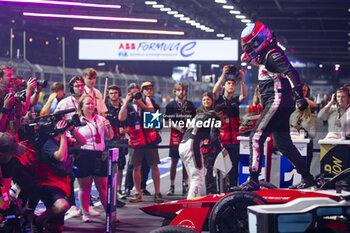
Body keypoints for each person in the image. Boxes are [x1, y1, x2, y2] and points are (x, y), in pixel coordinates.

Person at [239, 21, 315, 190]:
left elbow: (291, 72)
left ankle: (253, 179)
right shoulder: (268, 54)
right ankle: (308, 178)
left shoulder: (273, 54)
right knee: (283, 145)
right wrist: (253, 59)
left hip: (276, 101)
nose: (251, 48)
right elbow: (271, 68)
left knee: (255, 137)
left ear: (261, 39)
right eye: (248, 46)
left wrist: (300, 98)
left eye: (253, 44)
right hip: (279, 102)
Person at [32, 119, 86, 233]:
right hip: (47, 183)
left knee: (57, 229)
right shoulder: (48, 143)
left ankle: (45, 221)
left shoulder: (63, 140)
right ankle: (37, 220)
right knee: (62, 206)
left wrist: (71, 129)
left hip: (61, 184)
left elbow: (82, 142)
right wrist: (62, 134)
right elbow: (61, 158)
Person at [118, 82, 163, 203]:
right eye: (133, 93)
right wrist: (126, 102)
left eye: (137, 92)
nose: (135, 95)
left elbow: (153, 112)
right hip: (136, 140)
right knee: (135, 167)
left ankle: (158, 192)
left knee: (154, 165)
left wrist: (140, 103)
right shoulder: (127, 105)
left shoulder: (147, 101)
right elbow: (121, 118)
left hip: (150, 140)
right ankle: (137, 193)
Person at [75, 95, 114, 222]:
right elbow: (74, 140)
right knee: (84, 187)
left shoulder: (101, 119)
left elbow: (109, 137)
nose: (91, 106)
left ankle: (109, 214)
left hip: (99, 155)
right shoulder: (77, 122)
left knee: (102, 187)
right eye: (87, 104)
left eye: (92, 103)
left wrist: (108, 127)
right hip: (84, 155)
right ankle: (85, 213)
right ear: (81, 106)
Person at [179, 104, 229, 199]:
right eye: (224, 117)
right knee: (198, 178)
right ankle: (191, 207)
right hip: (192, 145)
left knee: (193, 178)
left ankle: (192, 201)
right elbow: (214, 138)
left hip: (183, 144)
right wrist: (222, 150)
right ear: (221, 113)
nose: (224, 120)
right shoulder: (215, 118)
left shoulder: (202, 115)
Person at [212, 65, 247, 189]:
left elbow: (244, 96)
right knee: (221, 171)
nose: (231, 86)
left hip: (235, 142)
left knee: (234, 171)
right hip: (222, 142)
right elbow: (214, 92)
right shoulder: (218, 100)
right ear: (224, 86)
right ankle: (220, 194)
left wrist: (242, 79)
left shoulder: (235, 100)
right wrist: (223, 75)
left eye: (233, 84)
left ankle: (232, 192)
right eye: (228, 84)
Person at [165, 83, 196, 196]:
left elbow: (194, 118)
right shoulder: (170, 105)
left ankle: (185, 184)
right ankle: (172, 186)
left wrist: (190, 126)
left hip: (187, 136)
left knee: (186, 161)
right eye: (178, 90)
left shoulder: (190, 105)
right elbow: (167, 120)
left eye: (183, 90)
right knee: (174, 161)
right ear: (174, 92)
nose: (181, 92)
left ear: (185, 92)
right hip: (175, 136)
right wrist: (177, 127)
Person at [105, 85, 127, 206]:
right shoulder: (105, 107)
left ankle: (118, 190)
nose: (113, 95)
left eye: (115, 93)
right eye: (111, 93)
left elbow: (130, 123)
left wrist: (126, 129)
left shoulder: (124, 108)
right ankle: (108, 190)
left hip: (120, 140)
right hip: (108, 141)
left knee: (120, 166)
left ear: (119, 94)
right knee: (109, 166)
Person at [197, 92, 217, 194]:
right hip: (205, 147)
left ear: (212, 101)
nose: (206, 101)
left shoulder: (215, 113)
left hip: (217, 146)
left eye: (208, 99)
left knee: (221, 171)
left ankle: (223, 191)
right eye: (204, 100)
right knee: (208, 171)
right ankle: (211, 192)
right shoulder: (199, 114)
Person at [290, 105, 317, 169]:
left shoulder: (312, 118)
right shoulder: (292, 116)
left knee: (305, 167)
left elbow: (313, 134)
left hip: (306, 145)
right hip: (294, 142)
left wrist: (302, 130)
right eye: (297, 104)